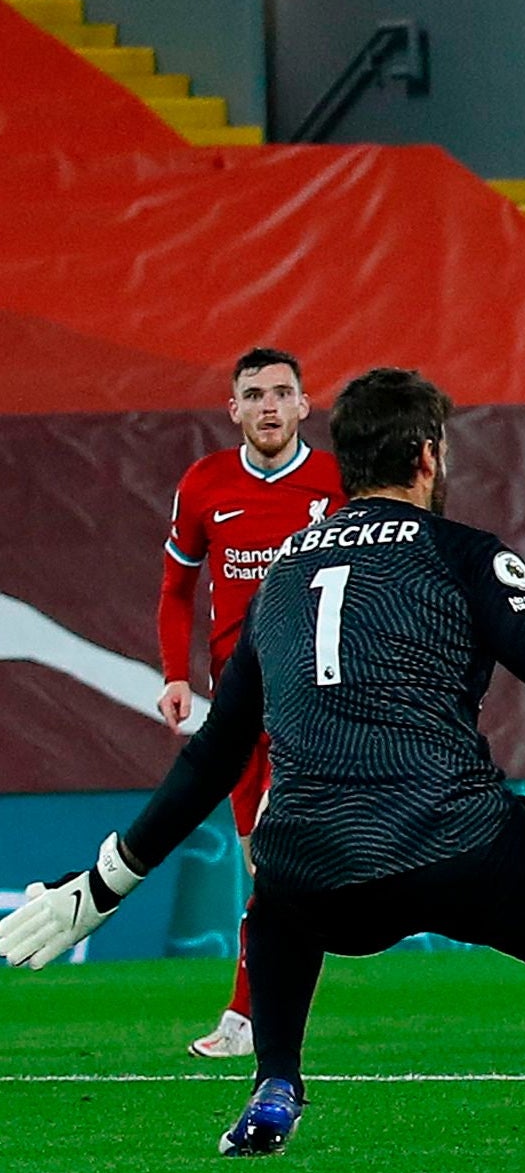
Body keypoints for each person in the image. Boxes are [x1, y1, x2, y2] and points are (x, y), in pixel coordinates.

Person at [3, 368, 525, 1154]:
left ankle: (275, 1085)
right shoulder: (462, 552)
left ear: (346, 462)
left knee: (281, 895)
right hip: (463, 846)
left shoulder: (281, 577)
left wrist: (106, 882)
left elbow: (217, 752)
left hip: (322, 870)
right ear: (428, 454)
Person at [158, 348, 346, 1060]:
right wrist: (177, 675)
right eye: (255, 394)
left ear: (304, 405)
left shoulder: (336, 484)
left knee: (280, 859)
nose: (269, 405)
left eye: (282, 393)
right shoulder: (204, 484)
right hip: (239, 709)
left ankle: (248, 1020)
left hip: (314, 701)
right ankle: (256, 1010)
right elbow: (177, 589)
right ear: (233, 409)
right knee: (265, 868)